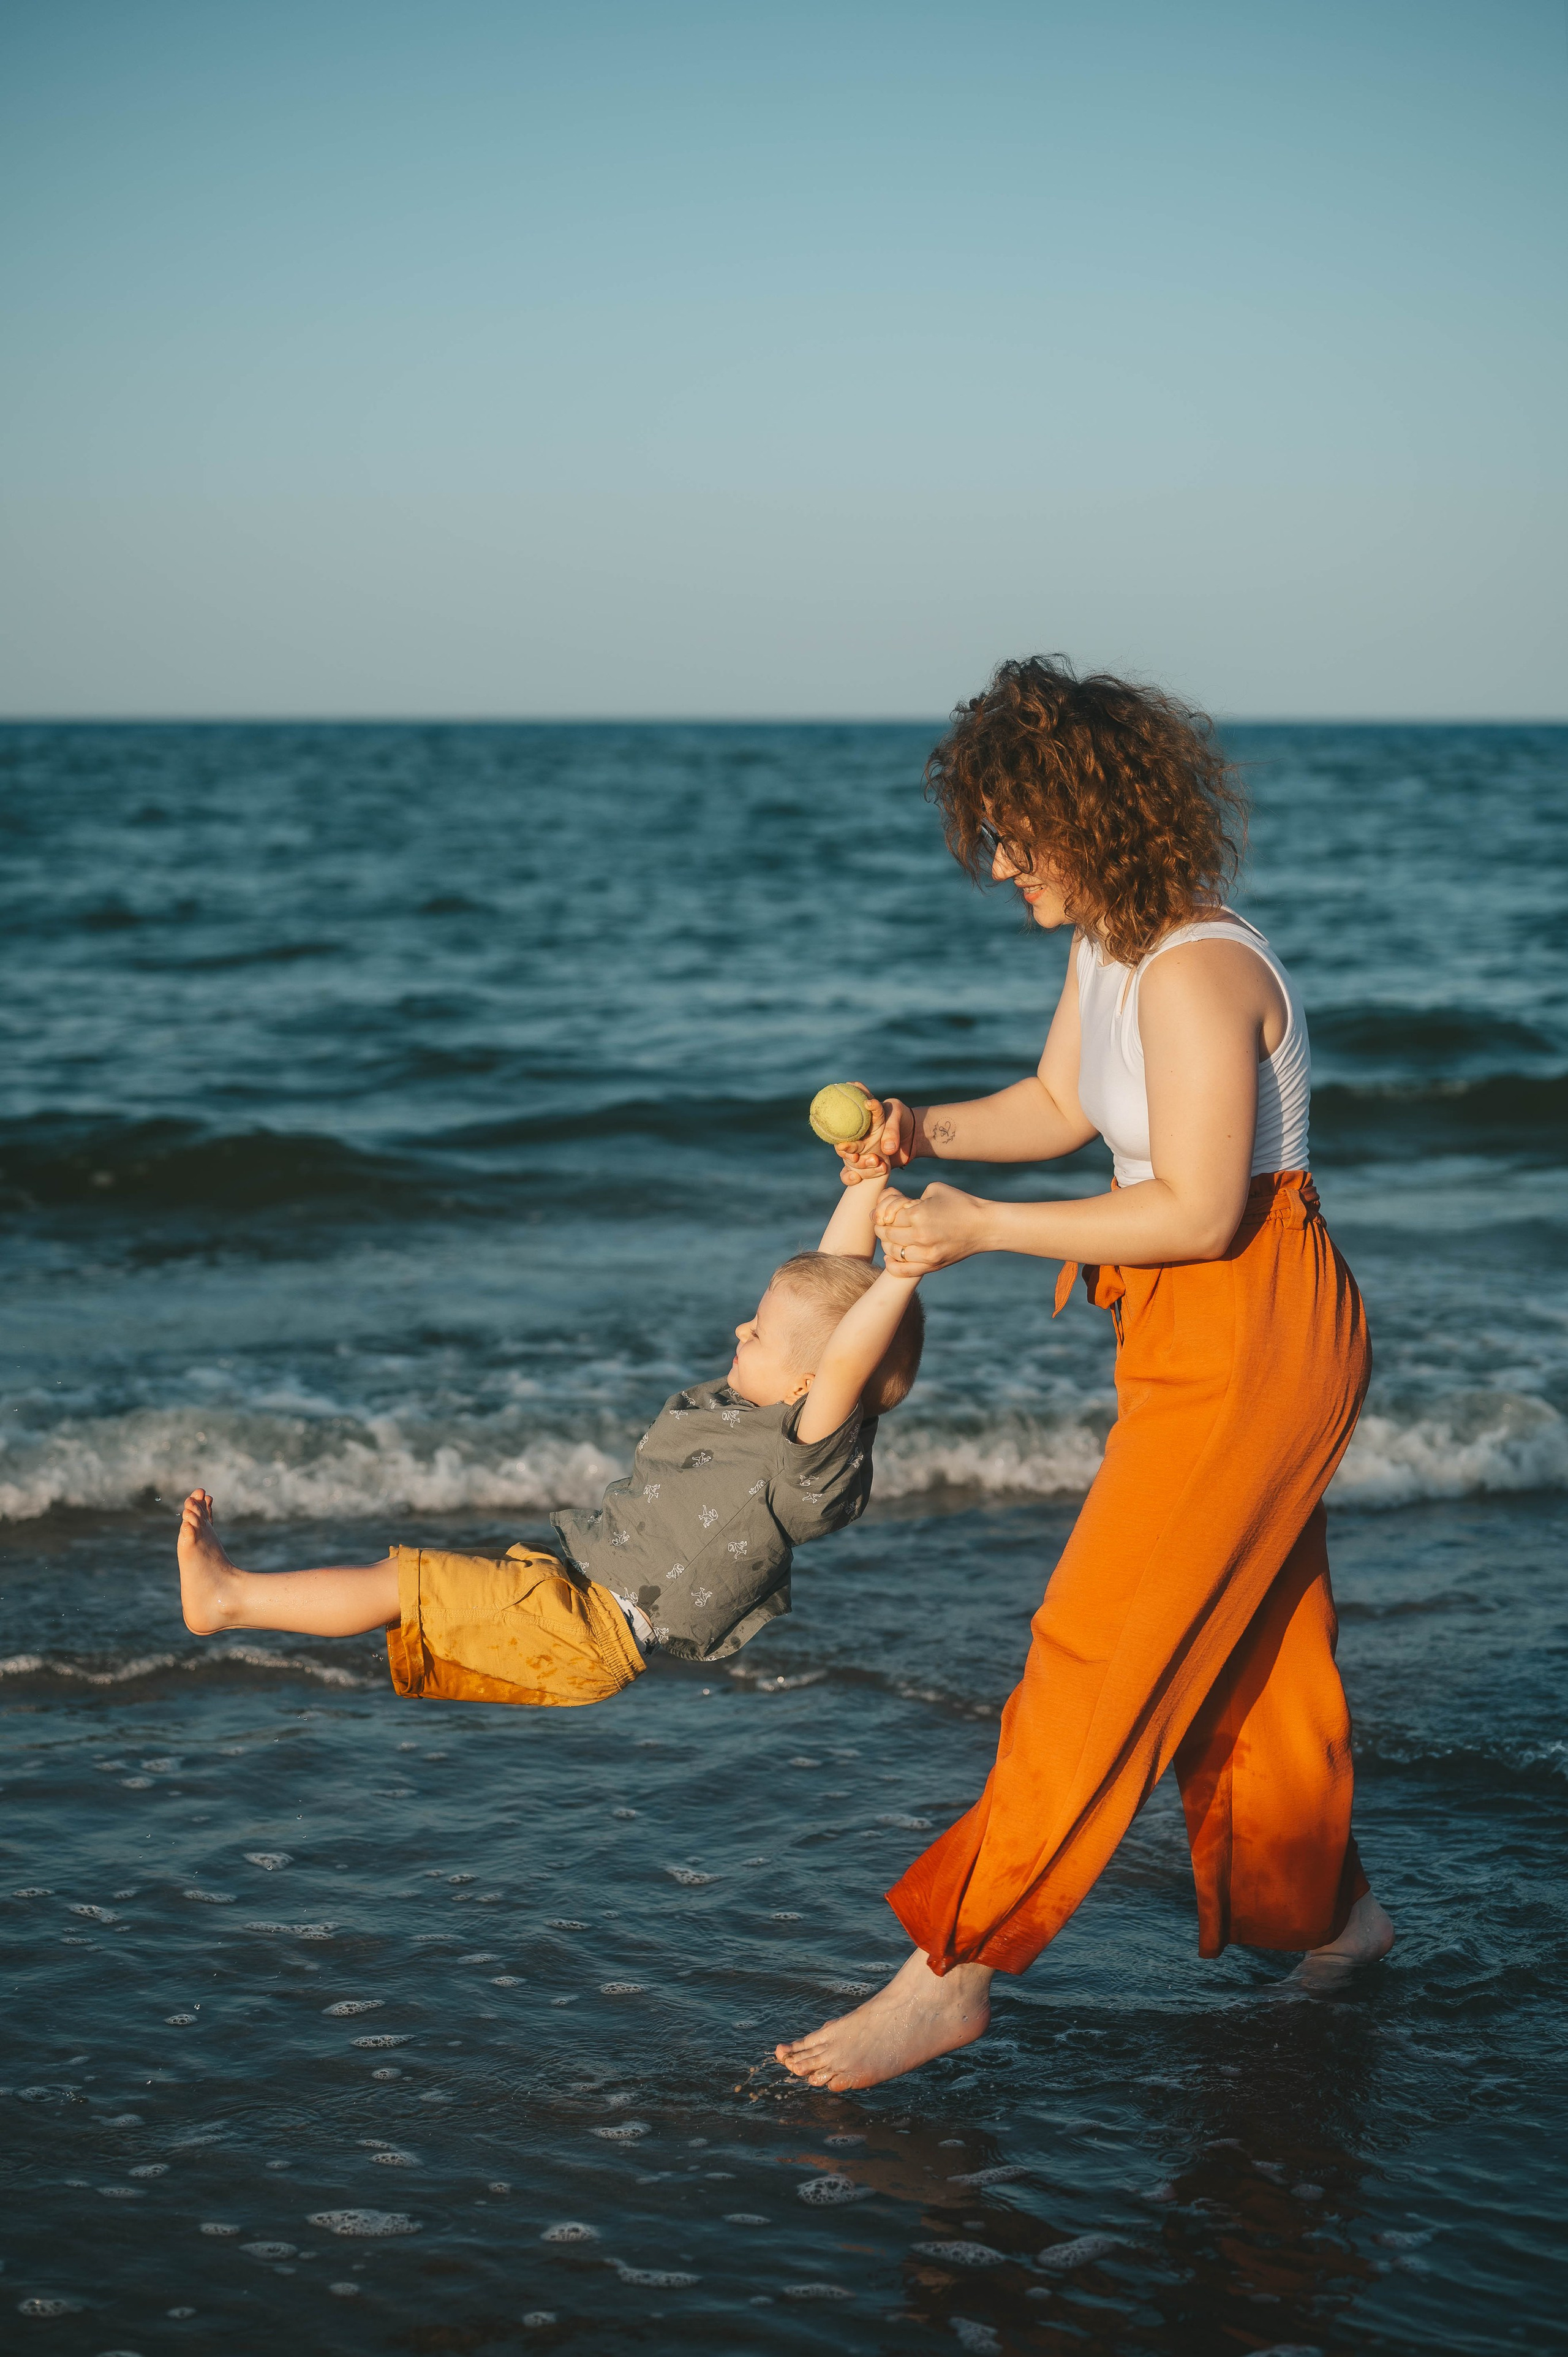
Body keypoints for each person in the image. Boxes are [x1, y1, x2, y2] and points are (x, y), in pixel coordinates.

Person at [776, 655, 1394, 2093]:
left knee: (1095, 1641)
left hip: (1250, 1323)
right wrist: (920, 1129)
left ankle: (950, 1970)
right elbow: (1059, 1104)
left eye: (1013, 835)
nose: (997, 865)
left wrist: (983, 1228)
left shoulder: (1194, 971)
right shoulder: (1112, 950)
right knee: (1251, 1666)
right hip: (1189, 1327)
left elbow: (1200, 1209)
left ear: (1088, 816)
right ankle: (1337, 1921)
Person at [176, 1173, 924, 1703]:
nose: (739, 1330)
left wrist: (902, 1273)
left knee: (399, 1584)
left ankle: (229, 1600)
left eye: (757, 1334)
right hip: (572, 1594)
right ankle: (231, 1599)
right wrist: (868, 1181)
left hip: (586, 1628)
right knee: (403, 1590)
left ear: (808, 1385)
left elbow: (843, 1355)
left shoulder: (803, 1462)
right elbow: (825, 1291)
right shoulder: (769, 1407)